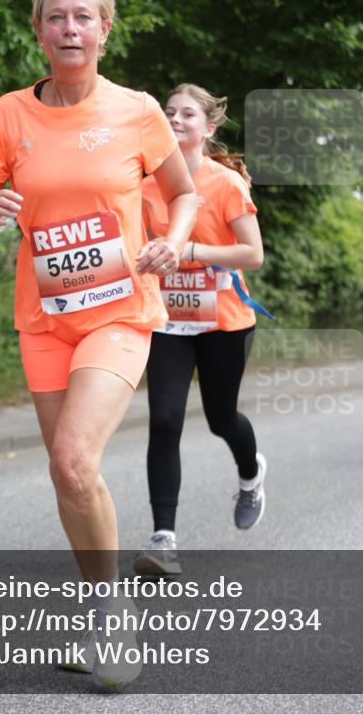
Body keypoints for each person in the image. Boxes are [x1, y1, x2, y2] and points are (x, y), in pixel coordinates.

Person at [0, 0, 196, 689]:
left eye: (82, 16)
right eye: (55, 16)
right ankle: (102, 604)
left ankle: (114, 621)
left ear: (104, 29)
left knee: (71, 459)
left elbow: (181, 193)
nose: (69, 27)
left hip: (120, 310)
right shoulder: (9, 115)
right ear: (37, 30)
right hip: (44, 319)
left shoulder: (137, 111)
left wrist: (176, 239)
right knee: (69, 479)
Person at [134, 83, 266, 577]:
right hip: (167, 318)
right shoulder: (145, 185)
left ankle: (251, 476)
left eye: (187, 113)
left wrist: (189, 252)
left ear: (208, 128)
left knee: (220, 418)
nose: (174, 119)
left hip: (224, 321)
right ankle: (163, 537)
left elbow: (252, 254)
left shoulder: (225, 183)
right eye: (168, 112)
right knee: (165, 420)